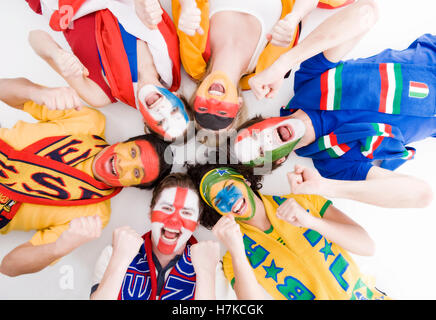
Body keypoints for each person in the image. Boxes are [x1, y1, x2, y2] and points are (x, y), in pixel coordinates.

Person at [233, 13, 435, 209]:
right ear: (279, 159)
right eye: (261, 150)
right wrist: (325, 187)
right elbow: (421, 195)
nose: (266, 138)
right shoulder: (334, 165)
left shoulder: (309, 80)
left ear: (265, 119)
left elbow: (367, 12)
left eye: (256, 133)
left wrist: (282, 65)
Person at [0, 77, 172, 277]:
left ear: (131, 185)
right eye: (132, 153)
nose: (123, 164)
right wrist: (37, 92)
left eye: (136, 173)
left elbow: (8, 267)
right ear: (123, 142)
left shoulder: (94, 216)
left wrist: (60, 247)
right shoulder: (88, 121)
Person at [187, 163, 389, 300]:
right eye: (219, 201)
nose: (230, 200)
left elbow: (367, 246)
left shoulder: (305, 200)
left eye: (230, 187)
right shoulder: (234, 258)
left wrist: (311, 221)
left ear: (245, 180)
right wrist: (238, 251)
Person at [172, 0, 355, 139]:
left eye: (203, 108)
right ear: (239, 103)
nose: (215, 102)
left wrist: (187, 6)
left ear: (196, 97)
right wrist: (295, 17)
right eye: (222, 113)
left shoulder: (193, 53)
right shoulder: (269, 66)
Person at [25, 0, 191, 142]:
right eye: (174, 111)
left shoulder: (100, 94)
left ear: (146, 123)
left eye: (161, 122)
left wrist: (56, 55)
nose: (161, 110)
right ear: (178, 97)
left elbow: (35, 37)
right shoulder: (168, 51)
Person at [90, 173, 257, 300]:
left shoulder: (212, 266)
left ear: (197, 222)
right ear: (151, 212)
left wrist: (206, 273)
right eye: (167, 208)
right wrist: (119, 260)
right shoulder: (116, 253)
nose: (174, 220)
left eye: (186, 212)